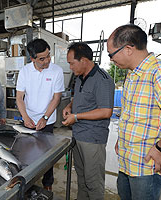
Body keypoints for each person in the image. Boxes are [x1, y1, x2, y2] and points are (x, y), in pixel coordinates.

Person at [107, 24, 161, 200]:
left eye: (111, 54)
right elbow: (133, 114)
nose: (110, 59)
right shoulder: (132, 75)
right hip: (127, 160)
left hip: (146, 167)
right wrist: (121, 139)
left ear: (128, 49)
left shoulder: (160, 73)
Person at [62, 42, 115, 200]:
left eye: (72, 63)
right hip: (78, 134)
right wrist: (70, 106)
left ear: (84, 60)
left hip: (92, 139)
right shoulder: (79, 78)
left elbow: (106, 111)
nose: (70, 67)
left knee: (93, 181)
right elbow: (80, 98)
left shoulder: (103, 80)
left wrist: (76, 117)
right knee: (82, 178)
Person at [16, 38, 64, 191]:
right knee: (27, 153)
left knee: (47, 154)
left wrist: (45, 118)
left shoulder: (56, 70)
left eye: (48, 55)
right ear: (32, 58)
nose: (47, 60)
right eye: (42, 58)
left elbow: (56, 98)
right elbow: (19, 98)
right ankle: (27, 182)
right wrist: (25, 117)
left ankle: (47, 183)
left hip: (47, 120)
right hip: (28, 120)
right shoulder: (25, 71)